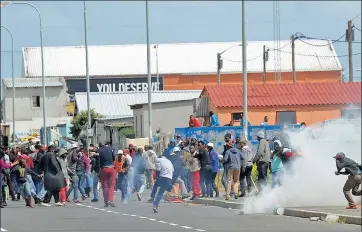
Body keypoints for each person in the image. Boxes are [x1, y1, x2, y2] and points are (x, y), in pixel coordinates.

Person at [98, 142, 116, 207]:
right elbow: (114, 158)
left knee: (105, 186)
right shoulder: (110, 149)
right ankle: (110, 200)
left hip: (104, 169)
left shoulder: (99, 150)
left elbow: (98, 161)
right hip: (111, 168)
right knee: (111, 185)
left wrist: (99, 170)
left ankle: (106, 202)